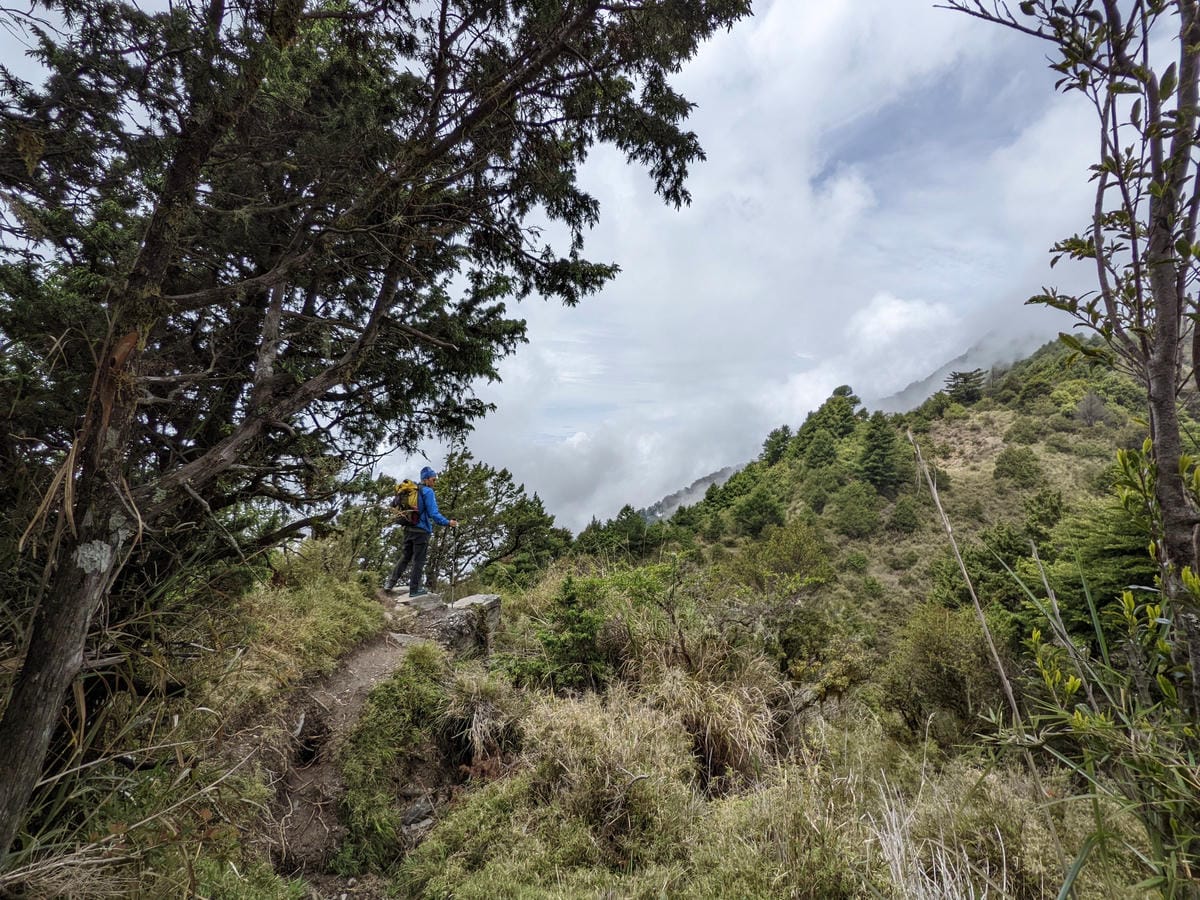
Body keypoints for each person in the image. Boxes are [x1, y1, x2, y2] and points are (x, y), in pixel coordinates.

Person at [384, 466, 458, 596]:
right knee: (419, 561)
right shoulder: (428, 492)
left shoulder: (413, 490)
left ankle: (390, 583)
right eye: (434, 480)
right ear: (427, 479)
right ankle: (414, 590)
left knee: (405, 557)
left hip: (408, 528)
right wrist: (448, 523)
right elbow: (433, 514)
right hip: (421, 531)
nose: (435, 483)